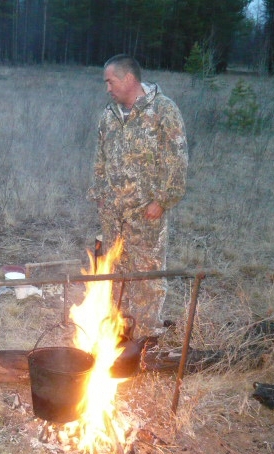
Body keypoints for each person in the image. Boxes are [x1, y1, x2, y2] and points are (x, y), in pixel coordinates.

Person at [87, 54, 188, 336]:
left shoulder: (163, 111)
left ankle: (146, 336)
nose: (108, 88)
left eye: (111, 81)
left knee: (147, 274)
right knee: (115, 270)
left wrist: (163, 200)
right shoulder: (109, 115)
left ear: (129, 79)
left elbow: (177, 160)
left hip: (146, 211)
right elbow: (100, 158)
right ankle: (118, 329)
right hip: (112, 213)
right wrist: (99, 194)